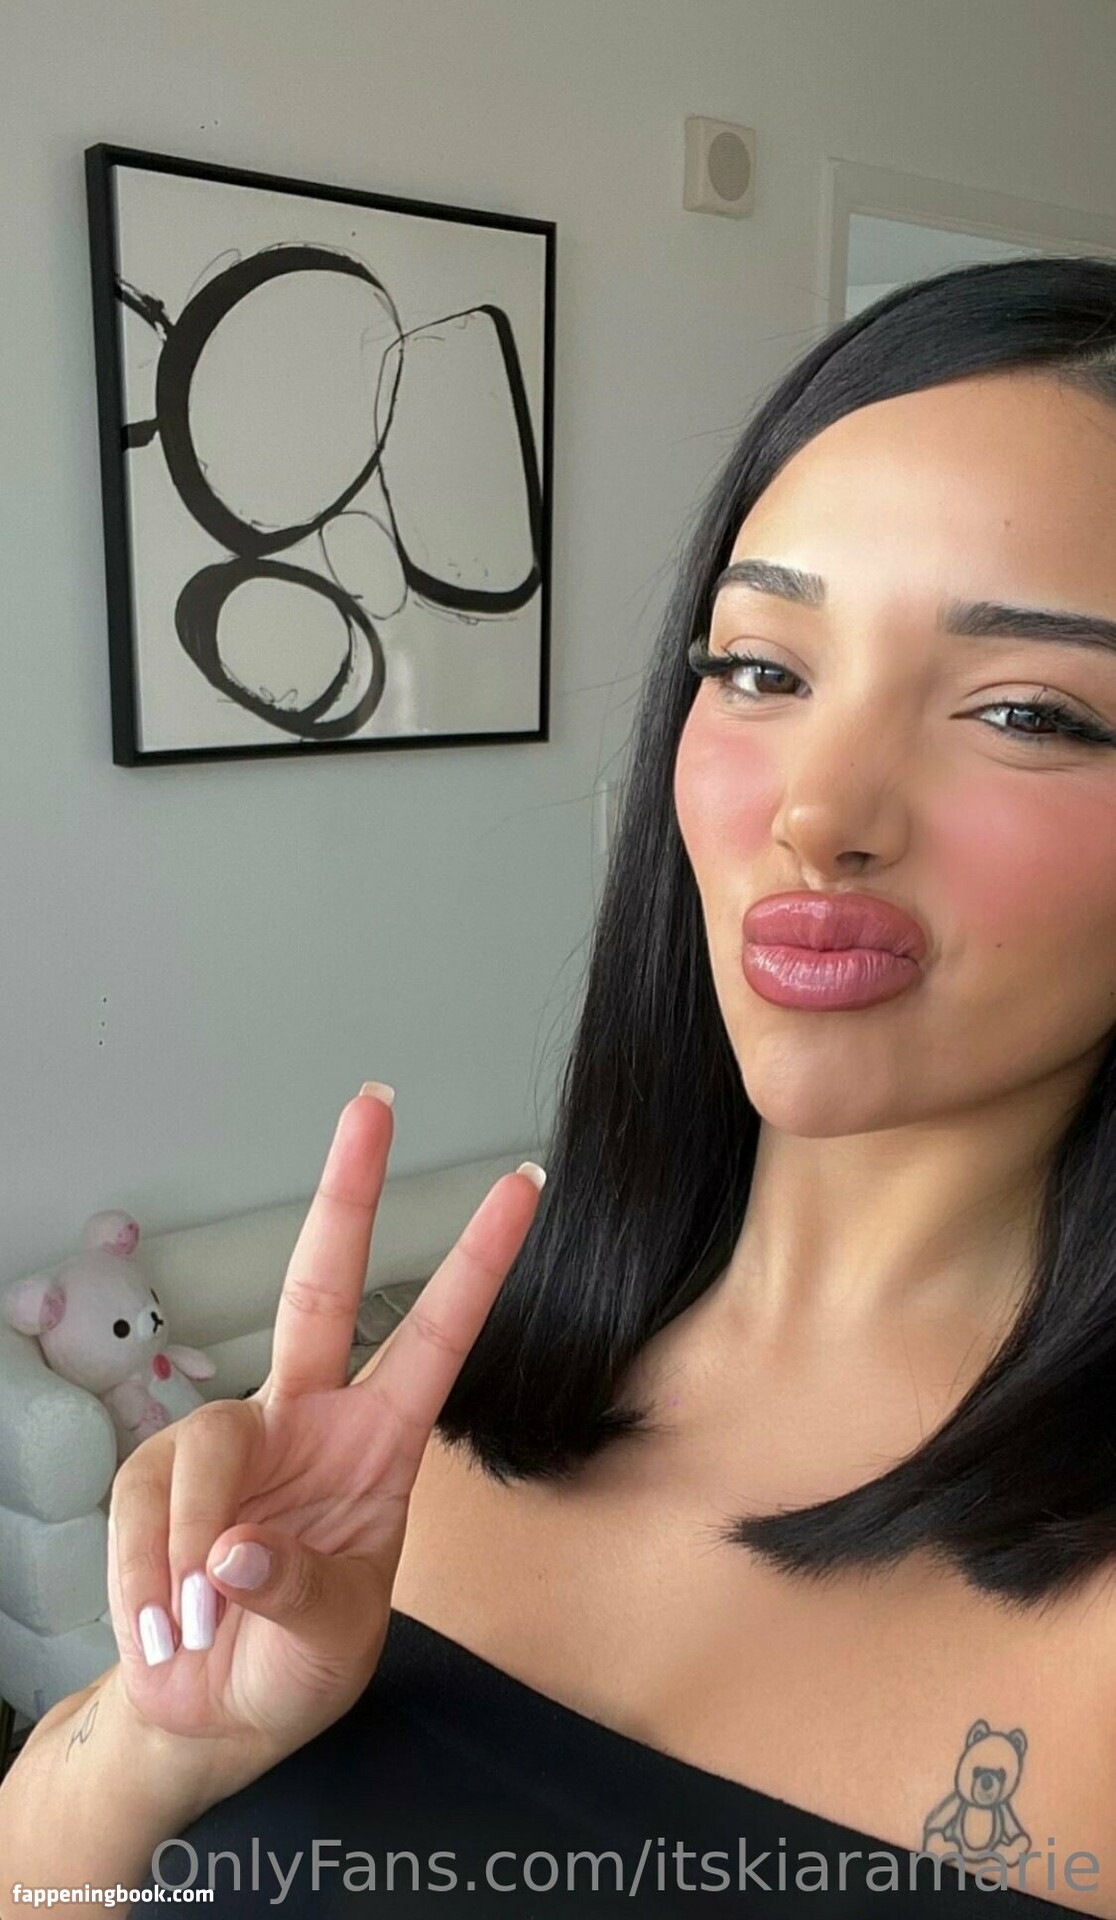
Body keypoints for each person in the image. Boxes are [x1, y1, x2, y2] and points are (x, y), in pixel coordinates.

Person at [4, 254, 1116, 1917]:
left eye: (1026, 709)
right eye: (764, 669)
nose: (820, 810)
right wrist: (164, 1747)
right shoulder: (445, 1403)